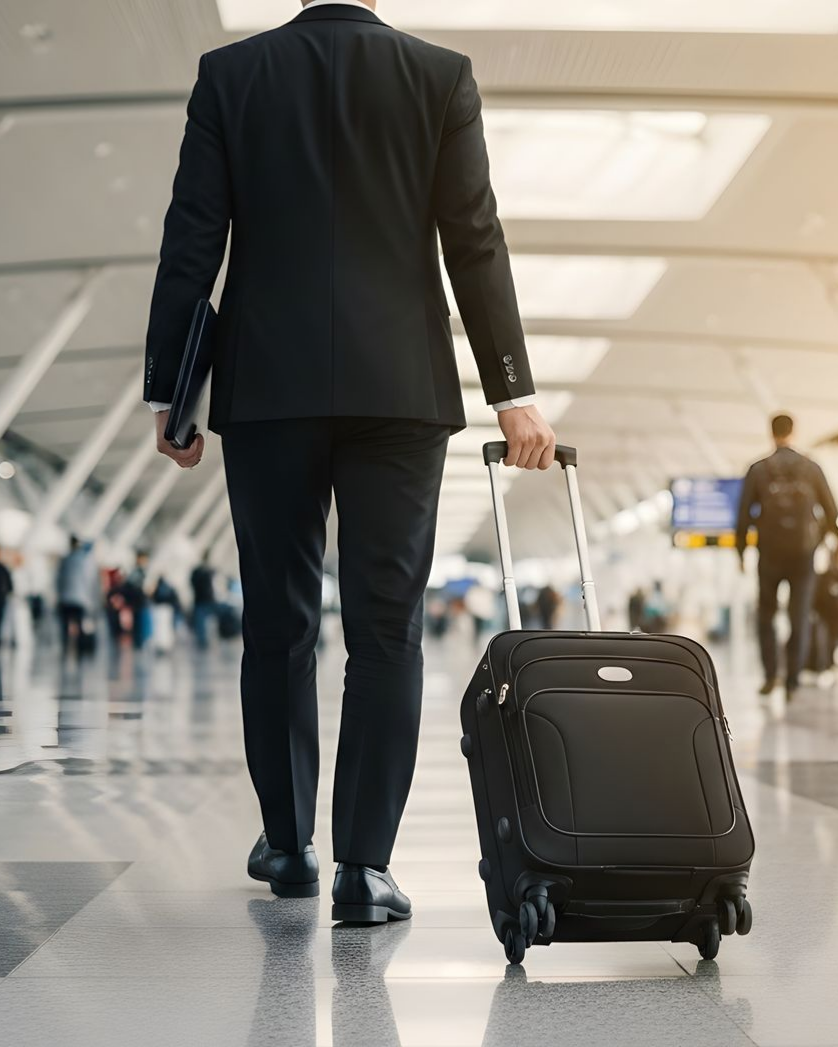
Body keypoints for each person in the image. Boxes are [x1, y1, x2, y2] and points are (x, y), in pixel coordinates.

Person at [143, 0, 556, 922]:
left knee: (277, 622)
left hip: (267, 387)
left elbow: (193, 237)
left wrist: (172, 391)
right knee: (386, 630)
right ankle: (364, 870)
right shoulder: (439, 76)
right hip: (399, 388)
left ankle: (288, 843)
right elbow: (473, 235)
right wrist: (512, 390)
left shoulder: (232, 75)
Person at [736, 414, 838, 701]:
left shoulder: (758, 469)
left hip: (769, 553)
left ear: (771, 433)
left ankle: (770, 676)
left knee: (766, 614)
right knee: (799, 616)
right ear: (794, 432)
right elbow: (831, 512)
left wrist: (741, 552)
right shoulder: (811, 467)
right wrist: (819, 541)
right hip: (803, 555)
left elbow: (743, 515)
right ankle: (793, 680)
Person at [56, 536, 98, 658]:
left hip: (65, 599)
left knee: (65, 627)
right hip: (81, 599)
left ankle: (66, 649)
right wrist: (91, 601)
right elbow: (90, 581)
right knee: (80, 626)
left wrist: (59, 595)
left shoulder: (65, 560)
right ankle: (80, 651)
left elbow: (59, 580)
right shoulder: (85, 560)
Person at [190, 553, 217, 649]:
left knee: (202, 622)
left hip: (202, 600)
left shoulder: (198, 572)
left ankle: (204, 641)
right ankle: (204, 641)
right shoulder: (209, 572)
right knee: (205, 622)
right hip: (206, 600)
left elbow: (192, 583)